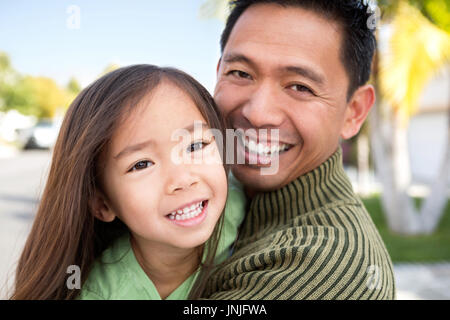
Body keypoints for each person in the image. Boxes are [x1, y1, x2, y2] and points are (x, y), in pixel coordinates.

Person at [202, 0, 396, 299]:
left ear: (353, 112)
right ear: (218, 73)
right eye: (240, 73)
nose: (258, 113)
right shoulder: (204, 188)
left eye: (300, 87)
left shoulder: (330, 270)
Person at [11, 65, 245, 300]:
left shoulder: (237, 205)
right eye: (141, 164)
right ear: (102, 204)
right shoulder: (100, 293)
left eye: (195, 146)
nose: (182, 180)